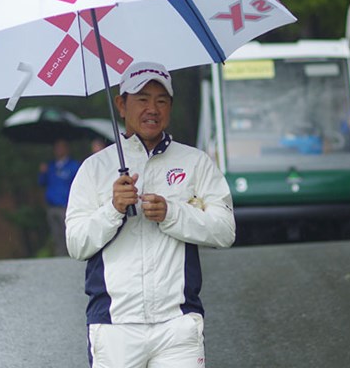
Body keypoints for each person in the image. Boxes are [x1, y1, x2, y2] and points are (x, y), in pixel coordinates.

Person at [66, 61, 236, 368]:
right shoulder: (94, 169)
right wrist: (113, 208)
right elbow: (77, 244)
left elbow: (225, 230)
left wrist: (172, 213)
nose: (152, 109)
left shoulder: (194, 162)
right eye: (142, 99)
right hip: (114, 325)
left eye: (161, 101)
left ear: (170, 107)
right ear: (121, 104)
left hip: (178, 323)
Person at [38, 139, 80, 256]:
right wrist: (42, 172)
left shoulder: (73, 166)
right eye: (57, 148)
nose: (58, 150)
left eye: (61, 147)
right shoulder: (50, 166)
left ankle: (72, 254)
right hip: (52, 206)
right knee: (56, 234)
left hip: (66, 205)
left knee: (68, 232)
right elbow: (42, 182)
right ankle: (60, 256)